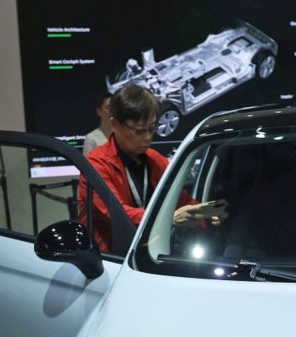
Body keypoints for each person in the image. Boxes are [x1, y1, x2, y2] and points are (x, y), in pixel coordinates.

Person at [79, 85, 226, 252]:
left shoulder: (156, 160)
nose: (147, 137)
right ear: (114, 124)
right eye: (138, 131)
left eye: (151, 128)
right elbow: (117, 213)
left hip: (147, 252)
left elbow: (179, 199)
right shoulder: (96, 164)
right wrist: (167, 218)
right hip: (109, 258)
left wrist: (206, 214)